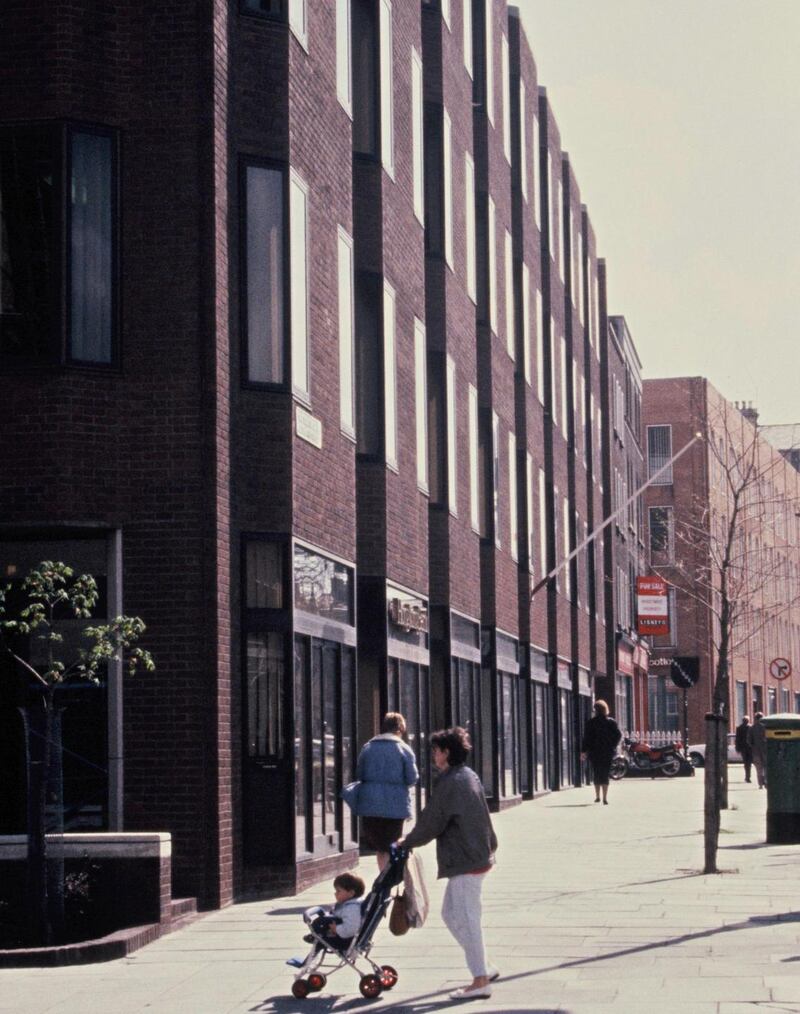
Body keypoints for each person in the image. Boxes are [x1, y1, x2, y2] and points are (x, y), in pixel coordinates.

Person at [398, 727, 499, 1001]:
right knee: (451, 914)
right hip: (475, 853)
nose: (433, 755)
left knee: (466, 918)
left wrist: (406, 842)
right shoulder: (468, 775)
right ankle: (484, 966)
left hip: (466, 858)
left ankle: (480, 980)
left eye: (435, 750)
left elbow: (432, 821)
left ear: (446, 752)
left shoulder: (451, 782)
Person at [354, 712, 419, 870]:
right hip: (395, 807)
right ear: (400, 729)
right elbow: (412, 778)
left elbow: (359, 774)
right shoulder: (404, 749)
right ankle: (394, 877)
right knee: (393, 844)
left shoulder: (368, 748)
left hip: (371, 805)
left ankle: (383, 877)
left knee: (380, 847)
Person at [304, 872, 365, 953]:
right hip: (343, 936)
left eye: (338, 891)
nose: (335, 893)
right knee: (324, 922)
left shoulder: (352, 908)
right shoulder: (348, 905)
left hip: (344, 940)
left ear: (351, 893)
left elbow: (351, 928)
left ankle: (316, 937)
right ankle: (316, 937)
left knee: (320, 923)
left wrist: (337, 929)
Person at [580, 699, 622, 805]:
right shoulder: (611, 722)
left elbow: (586, 738)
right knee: (605, 773)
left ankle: (597, 796)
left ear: (595, 710)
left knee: (596, 772)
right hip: (607, 751)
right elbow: (618, 735)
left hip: (594, 752)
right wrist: (613, 745)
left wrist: (584, 751)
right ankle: (605, 798)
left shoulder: (590, 723)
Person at [749, 711, 767, 788]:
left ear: (755, 718)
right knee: (766, 767)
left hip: (756, 751)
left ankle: (760, 784)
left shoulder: (752, 728)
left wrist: (753, 746)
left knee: (759, 769)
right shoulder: (766, 727)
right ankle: (766, 781)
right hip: (766, 750)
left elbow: (749, 740)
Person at [735, 715, 753, 782]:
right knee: (748, 762)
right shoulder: (750, 727)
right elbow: (738, 738)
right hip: (748, 747)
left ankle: (747, 776)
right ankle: (748, 776)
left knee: (746, 763)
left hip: (745, 748)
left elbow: (737, 739)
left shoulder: (739, 728)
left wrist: (737, 748)